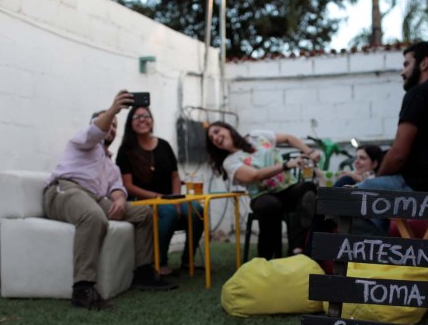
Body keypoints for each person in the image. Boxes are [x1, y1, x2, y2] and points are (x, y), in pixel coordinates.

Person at [43, 90, 176, 310]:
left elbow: (116, 187)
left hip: (95, 198)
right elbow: (96, 130)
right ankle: (83, 289)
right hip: (65, 189)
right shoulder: (83, 141)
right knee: (93, 217)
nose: (111, 129)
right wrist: (114, 109)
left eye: (115, 126)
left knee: (144, 213)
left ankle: (143, 272)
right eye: (109, 124)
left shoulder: (110, 163)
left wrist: (120, 199)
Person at [354, 41, 428, 233]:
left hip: (417, 188)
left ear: (424, 63)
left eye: (406, 64)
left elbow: (398, 153)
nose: (403, 72)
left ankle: (375, 255)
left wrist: (377, 177)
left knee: (356, 193)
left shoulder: (419, 94)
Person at [206, 122, 319, 259]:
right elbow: (255, 175)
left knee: (308, 188)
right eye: (212, 138)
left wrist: (310, 151)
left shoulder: (256, 136)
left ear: (228, 129)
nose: (216, 137)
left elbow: (288, 138)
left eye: (217, 131)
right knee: (270, 205)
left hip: (287, 189)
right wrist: (286, 165)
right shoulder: (229, 162)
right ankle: (266, 258)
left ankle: (297, 249)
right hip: (262, 195)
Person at [116, 105, 203, 276]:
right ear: (130, 124)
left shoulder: (163, 145)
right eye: (137, 117)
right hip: (144, 202)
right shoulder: (125, 150)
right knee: (168, 211)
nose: (142, 119)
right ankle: (159, 261)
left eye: (146, 115)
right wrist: (159, 197)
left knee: (196, 210)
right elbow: (128, 185)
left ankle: (187, 260)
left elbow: (175, 177)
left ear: (152, 121)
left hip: (170, 199)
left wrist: (177, 200)